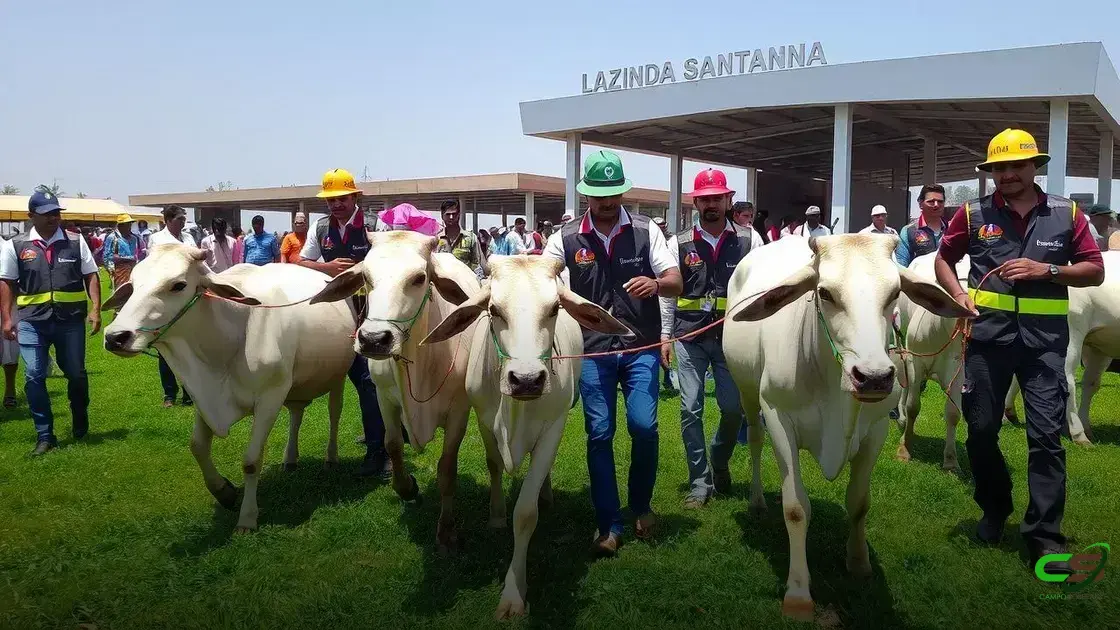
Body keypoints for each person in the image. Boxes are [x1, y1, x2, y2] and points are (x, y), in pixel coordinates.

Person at [934, 128, 1104, 574]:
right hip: (987, 342)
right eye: (999, 168)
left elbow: (1095, 270)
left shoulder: (1067, 213)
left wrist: (1047, 270)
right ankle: (995, 508)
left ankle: (1044, 538)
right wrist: (959, 296)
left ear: (1035, 167)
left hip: (1044, 347)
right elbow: (943, 259)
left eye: (1017, 166)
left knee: (1045, 438)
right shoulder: (972, 213)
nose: (1008, 174)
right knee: (981, 432)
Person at [543, 150, 683, 556]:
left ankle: (641, 505)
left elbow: (675, 280)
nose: (607, 202)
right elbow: (540, 277)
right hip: (592, 351)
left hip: (640, 346)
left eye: (613, 194)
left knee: (644, 426)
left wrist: (656, 285)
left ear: (623, 192)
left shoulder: (645, 230)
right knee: (600, 433)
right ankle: (608, 523)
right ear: (586, 194)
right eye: (599, 195)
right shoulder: (565, 237)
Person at [659, 168, 752, 509]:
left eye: (717, 198)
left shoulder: (749, 240)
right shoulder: (678, 242)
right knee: (690, 408)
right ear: (695, 203)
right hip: (690, 336)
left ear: (728, 200)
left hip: (732, 339)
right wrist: (665, 335)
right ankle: (700, 482)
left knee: (733, 409)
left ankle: (720, 459)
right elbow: (668, 294)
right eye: (704, 199)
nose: (711, 204)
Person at [299, 168, 390, 477]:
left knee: (368, 379)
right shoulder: (320, 227)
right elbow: (300, 260)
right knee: (361, 378)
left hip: (370, 310)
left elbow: (389, 264)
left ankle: (379, 452)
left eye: (342, 198)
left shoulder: (376, 226)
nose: (336, 204)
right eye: (331, 200)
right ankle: (384, 432)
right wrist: (325, 267)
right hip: (334, 313)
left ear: (355, 197)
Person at [0, 188, 101, 455]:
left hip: (70, 321)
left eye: (56, 212)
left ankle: (79, 414)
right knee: (34, 375)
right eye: (46, 214)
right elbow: (7, 282)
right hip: (32, 321)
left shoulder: (75, 241)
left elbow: (91, 275)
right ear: (31, 216)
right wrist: (7, 318)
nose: (53, 218)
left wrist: (95, 309)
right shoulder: (16, 245)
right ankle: (45, 435)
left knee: (76, 374)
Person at [149, 205, 197, 408]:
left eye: (184, 219)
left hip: (187, 298)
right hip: (166, 299)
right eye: (179, 219)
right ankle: (169, 394)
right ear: (168, 220)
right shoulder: (157, 239)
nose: (183, 223)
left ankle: (189, 392)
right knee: (166, 347)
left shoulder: (188, 238)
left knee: (188, 347)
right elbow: (152, 268)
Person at [896, 184, 947, 267]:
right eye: (931, 201)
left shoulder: (952, 229)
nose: (936, 205)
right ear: (920, 204)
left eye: (940, 201)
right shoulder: (908, 231)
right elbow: (901, 266)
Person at [435, 199, 488, 277]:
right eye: (448, 214)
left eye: (454, 214)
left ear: (459, 215)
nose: (451, 217)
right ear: (442, 216)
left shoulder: (470, 238)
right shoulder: (436, 239)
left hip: (466, 281)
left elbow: (478, 263)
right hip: (442, 282)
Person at [103, 213, 145, 289]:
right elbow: (108, 256)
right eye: (127, 224)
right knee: (122, 291)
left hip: (134, 268)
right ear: (120, 226)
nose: (129, 227)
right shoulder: (113, 238)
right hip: (119, 270)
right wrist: (111, 270)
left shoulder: (134, 238)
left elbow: (140, 252)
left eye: (130, 224)